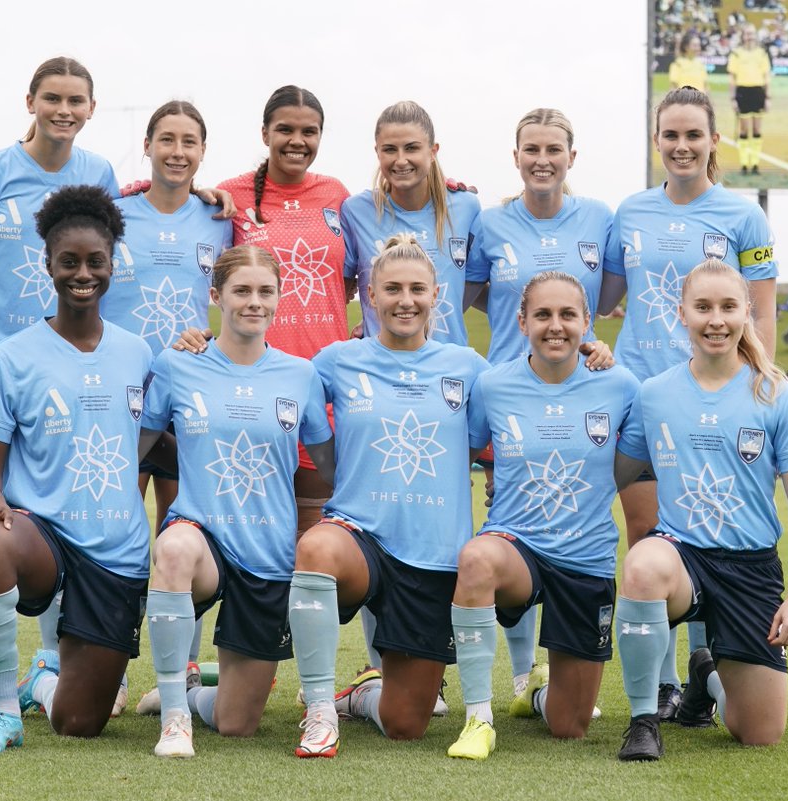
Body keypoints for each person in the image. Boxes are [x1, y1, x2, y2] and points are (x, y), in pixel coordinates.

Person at [0, 57, 120, 719]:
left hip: (63, 372)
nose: (63, 110)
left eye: (76, 100)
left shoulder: (99, 174)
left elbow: (120, 239)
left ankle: (51, 663)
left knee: (59, 512)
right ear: (31, 101)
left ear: (92, 108)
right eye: (52, 98)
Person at [599, 86, 779, 725]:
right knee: (648, 538)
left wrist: (761, 384)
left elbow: (760, 308)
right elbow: (603, 293)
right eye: (670, 135)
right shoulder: (629, 212)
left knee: (711, 531)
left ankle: (710, 667)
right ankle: (670, 684)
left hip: (719, 396)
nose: (681, 146)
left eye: (692, 135)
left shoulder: (744, 217)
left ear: (712, 143)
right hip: (645, 394)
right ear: (657, 143)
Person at [0, 185, 152, 754]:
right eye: (69, 261)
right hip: (43, 535)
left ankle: (39, 684)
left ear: (113, 264)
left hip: (115, 551)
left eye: (95, 261)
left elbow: (157, 441)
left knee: (79, 722)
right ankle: (0, 713)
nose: (83, 273)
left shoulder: (139, 353)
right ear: (48, 264)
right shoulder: (10, 356)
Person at [612, 258, 788, 761]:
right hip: (682, 558)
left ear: (747, 312)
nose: (716, 320)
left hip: (750, 569)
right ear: (681, 313)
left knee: (759, 732)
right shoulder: (654, 394)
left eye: (728, 307)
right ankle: (644, 721)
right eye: (702, 307)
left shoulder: (774, 393)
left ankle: (705, 679)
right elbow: (616, 474)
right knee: (642, 565)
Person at [290, 235, 488, 759]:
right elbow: (308, 430)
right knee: (316, 549)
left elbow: (529, 399)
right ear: (369, 296)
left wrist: (595, 355)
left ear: (436, 295)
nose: (405, 300)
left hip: (433, 552)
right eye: (392, 289)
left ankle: (361, 697)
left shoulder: (468, 367)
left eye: (417, 289)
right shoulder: (334, 362)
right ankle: (319, 710)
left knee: (406, 724)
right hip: (360, 536)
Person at [139, 246, 334, 757]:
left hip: (267, 554)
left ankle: (182, 696)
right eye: (241, 291)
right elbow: (136, 442)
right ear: (215, 296)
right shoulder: (178, 364)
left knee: (237, 723)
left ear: (278, 297)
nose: (254, 302)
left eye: (265, 291)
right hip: (202, 537)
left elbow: (328, 465)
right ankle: (175, 723)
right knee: (175, 549)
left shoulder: (301, 374)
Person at [446, 272, 640, 760]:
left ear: (587, 322)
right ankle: (478, 718)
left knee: (569, 727)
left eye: (568, 315)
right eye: (543, 315)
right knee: (476, 559)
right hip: (517, 547)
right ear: (522, 321)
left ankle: (535, 695)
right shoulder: (493, 384)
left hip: (586, 558)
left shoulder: (618, 384)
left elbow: (631, 465)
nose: (556, 326)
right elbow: (463, 452)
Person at [464, 107, 617, 710]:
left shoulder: (599, 218)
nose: (542, 159)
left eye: (554, 148)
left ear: (571, 157)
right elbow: (469, 293)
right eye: (531, 149)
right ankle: (523, 673)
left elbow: (604, 299)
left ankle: (557, 677)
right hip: (510, 397)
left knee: (572, 517)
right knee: (509, 520)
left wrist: (589, 346)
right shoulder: (491, 222)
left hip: (576, 391)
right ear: (516, 156)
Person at [215, 85, 350, 538]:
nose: (297, 140)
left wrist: (445, 181)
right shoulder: (229, 196)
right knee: (249, 541)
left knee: (311, 551)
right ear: (264, 133)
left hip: (321, 390)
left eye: (309, 132)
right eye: (285, 130)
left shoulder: (337, 194)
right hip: (252, 390)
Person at [101, 100, 233, 536]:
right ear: (147, 146)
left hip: (186, 388)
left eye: (189, 142)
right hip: (121, 388)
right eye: (167, 140)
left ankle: (170, 607)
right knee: (116, 522)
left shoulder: (220, 220)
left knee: (180, 528)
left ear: (203, 151)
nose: (178, 152)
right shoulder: (113, 214)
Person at [342, 101, 481, 346]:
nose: (401, 160)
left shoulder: (466, 207)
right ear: (377, 152)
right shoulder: (356, 212)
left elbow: (474, 281)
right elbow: (342, 289)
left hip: (446, 366)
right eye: (390, 150)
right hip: (379, 368)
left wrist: (423, 317)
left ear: (433, 151)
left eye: (412, 148)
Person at [727, 25, 772, 175]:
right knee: (744, 129)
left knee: (757, 129)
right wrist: (733, 98)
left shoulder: (762, 53)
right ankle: (744, 164)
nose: (749, 36)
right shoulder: (736, 54)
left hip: (758, 91)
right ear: (743, 36)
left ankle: (755, 164)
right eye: (747, 33)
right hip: (743, 92)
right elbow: (732, 78)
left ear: (755, 36)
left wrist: (768, 97)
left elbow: (766, 77)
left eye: (752, 33)